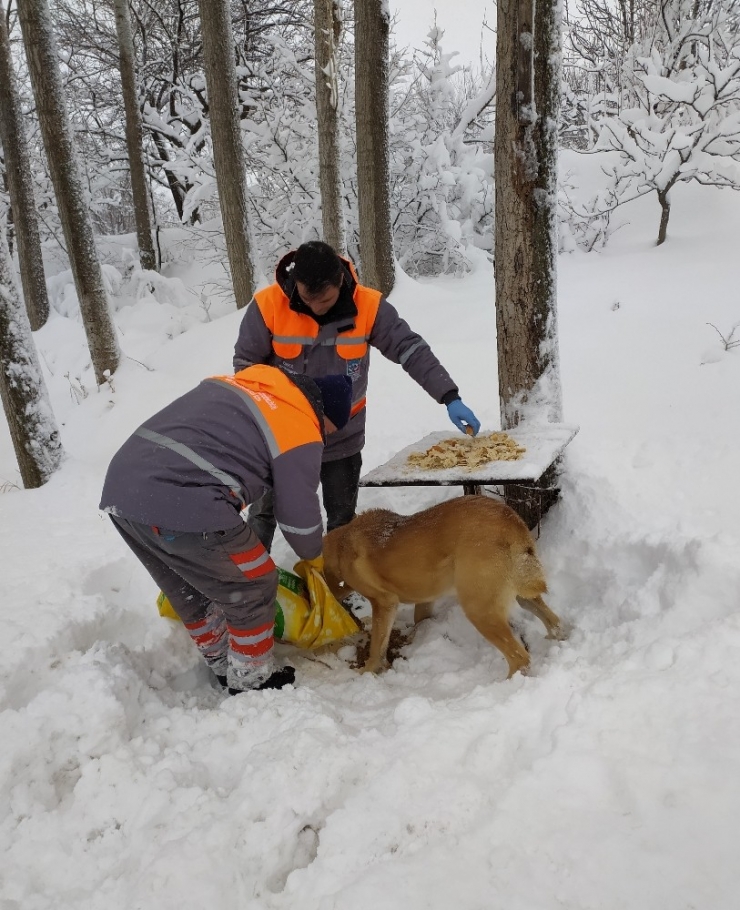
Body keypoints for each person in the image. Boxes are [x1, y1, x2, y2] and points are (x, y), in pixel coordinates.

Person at [100, 364, 353, 694]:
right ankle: (251, 680)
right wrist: (314, 560)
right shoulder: (299, 422)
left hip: (124, 490)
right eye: (331, 430)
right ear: (324, 413)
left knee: (188, 589)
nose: (327, 437)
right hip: (184, 499)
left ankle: (223, 666)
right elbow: (297, 513)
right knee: (256, 584)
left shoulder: (246, 390)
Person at [233, 241, 481, 550]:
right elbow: (246, 366)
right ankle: (246, 591)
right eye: (308, 298)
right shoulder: (268, 305)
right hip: (281, 440)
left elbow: (410, 349)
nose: (315, 307)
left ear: (340, 281)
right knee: (262, 515)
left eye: (324, 299)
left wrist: (449, 395)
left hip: (342, 439)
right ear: (296, 283)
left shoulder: (369, 306)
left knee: (342, 522)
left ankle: (339, 590)